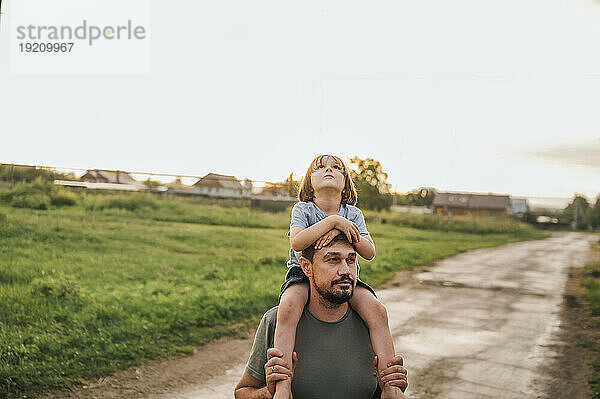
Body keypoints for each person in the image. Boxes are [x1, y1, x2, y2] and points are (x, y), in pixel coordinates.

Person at [272, 154, 399, 399]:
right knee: (287, 308)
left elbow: (369, 252)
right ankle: (283, 385)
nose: (328, 170)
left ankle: (390, 387)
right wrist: (334, 222)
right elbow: (298, 242)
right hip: (302, 274)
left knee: (378, 311)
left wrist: (345, 225)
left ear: (345, 182)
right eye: (320, 168)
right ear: (309, 181)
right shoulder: (304, 209)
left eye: (336, 168)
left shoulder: (353, 213)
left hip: (344, 278)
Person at [234, 235, 408, 399]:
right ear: (306, 267)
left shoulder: (371, 323)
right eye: (333, 260)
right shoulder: (276, 320)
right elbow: (242, 392)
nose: (346, 270)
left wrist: (390, 386)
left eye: (351, 260)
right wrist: (268, 392)